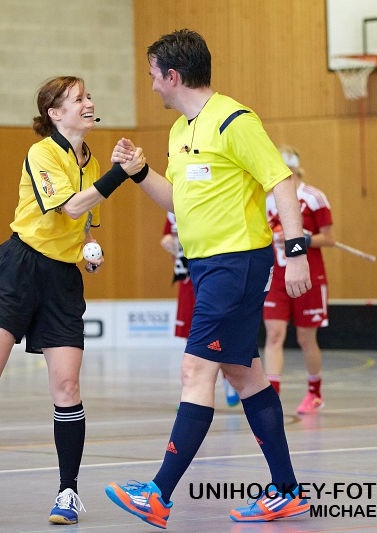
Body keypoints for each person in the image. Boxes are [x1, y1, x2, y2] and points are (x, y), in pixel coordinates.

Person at [105, 29, 312, 528]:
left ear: (173, 76)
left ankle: (159, 492)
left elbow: (280, 181)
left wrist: (297, 250)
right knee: (245, 374)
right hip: (206, 266)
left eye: (154, 76)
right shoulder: (180, 132)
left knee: (196, 373)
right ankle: (287, 492)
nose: (152, 86)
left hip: (235, 262)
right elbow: (178, 200)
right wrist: (139, 172)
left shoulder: (235, 121)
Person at [0, 76, 147, 525]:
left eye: (89, 97)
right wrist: (120, 176)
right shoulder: (42, 153)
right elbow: (67, 207)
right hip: (19, 269)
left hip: (62, 280)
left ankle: (67, 493)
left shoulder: (92, 159)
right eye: (78, 99)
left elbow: (83, 220)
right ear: (54, 113)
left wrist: (90, 249)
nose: (89, 103)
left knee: (67, 389)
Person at [263, 145, 335, 414]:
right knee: (274, 334)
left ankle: (315, 392)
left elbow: (329, 238)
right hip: (277, 276)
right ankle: (272, 397)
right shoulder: (268, 200)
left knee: (306, 338)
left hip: (308, 275)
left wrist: (303, 239)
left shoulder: (314, 198)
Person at [161, 212, 239, 407]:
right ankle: (192, 389)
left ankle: (228, 377)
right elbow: (168, 236)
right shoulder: (172, 209)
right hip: (188, 278)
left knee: (218, 333)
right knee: (192, 334)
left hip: (212, 273)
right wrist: (168, 242)